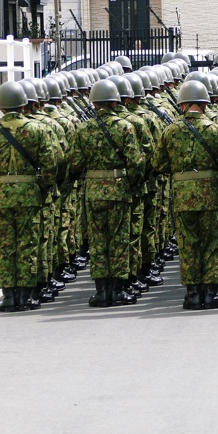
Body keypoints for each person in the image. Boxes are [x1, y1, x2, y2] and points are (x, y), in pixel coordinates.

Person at [0, 81, 62, 312]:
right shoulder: (37, 129)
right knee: (28, 243)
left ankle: (9, 295)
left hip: (1, 196)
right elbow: (51, 164)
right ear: (24, 104)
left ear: (1, 106)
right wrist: (41, 185)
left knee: (6, 246)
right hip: (30, 195)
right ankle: (26, 295)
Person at [154, 80, 218, 310]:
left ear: (182, 105)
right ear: (204, 104)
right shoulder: (216, 130)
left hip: (182, 197)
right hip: (210, 196)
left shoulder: (170, 131)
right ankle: (211, 294)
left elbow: (158, 164)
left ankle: (192, 294)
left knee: (188, 244)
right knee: (213, 243)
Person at [67, 79, 147, 308]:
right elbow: (136, 162)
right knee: (119, 239)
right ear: (115, 102)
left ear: (93, 104)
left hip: (93, 192)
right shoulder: (124, 127)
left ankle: (102, 291)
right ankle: (118, 290)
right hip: (119, 189)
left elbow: (75, 163)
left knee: (98, 241)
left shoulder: (84, 129)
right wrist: (130, 182)